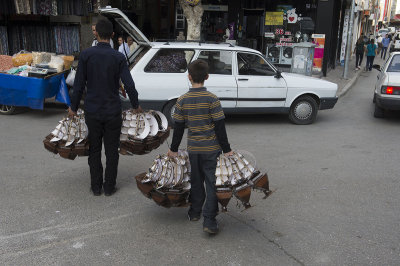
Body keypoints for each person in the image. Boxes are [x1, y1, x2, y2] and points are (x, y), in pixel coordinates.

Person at [69, 20, 142, 196]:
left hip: (92, 111)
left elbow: (78, 85)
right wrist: (135, 105)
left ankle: (96, 187)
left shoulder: (86, 55)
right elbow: (129, 85)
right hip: (112, 112)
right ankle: (109, 187)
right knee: (111, 150)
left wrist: (73, 107)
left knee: (94, 149)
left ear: (96, 34)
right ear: (112, 36)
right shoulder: (118, 57)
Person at [167, 59, 233, 235]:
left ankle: (195, 212)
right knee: (212, 184)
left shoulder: (182, 100)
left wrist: (173, 149)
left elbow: (179, 128)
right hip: (211, 150)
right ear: (207, 77)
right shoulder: (212, 99)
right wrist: (227, 149)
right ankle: (209, 220)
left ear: (189, 77)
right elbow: (220, 127)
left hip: (193, 150)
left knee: (196, 182)